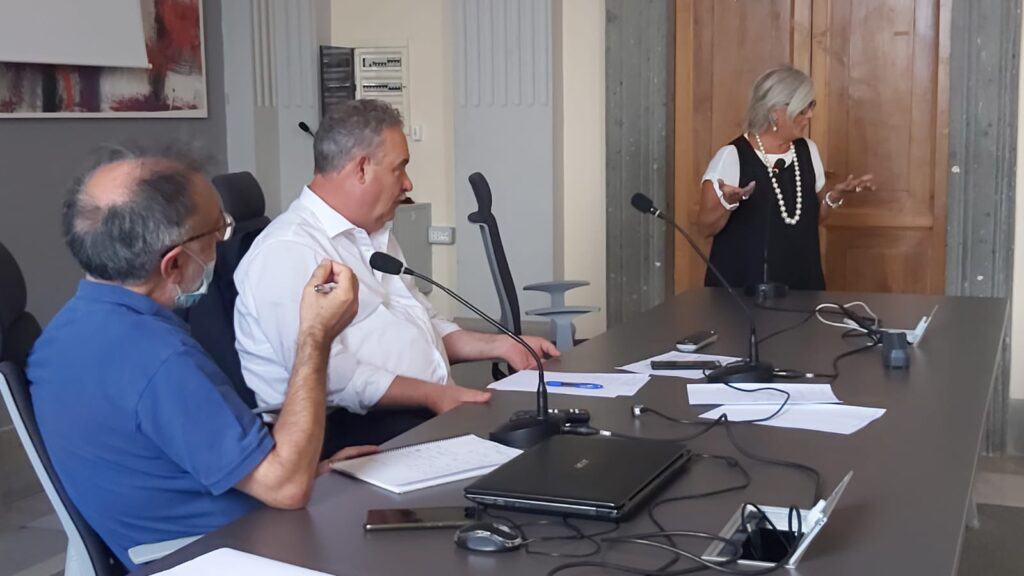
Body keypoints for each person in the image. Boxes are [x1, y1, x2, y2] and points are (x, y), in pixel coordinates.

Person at [27, 146, 376, 570]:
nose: (221, 242)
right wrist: (316, 336)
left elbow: (170, 456)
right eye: (217, 231)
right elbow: (286, 488)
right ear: (173, 264)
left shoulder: (61, 337)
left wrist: (308, 467)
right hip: (227, 554)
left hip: (218, 528)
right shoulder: (157, 359)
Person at [234, 99, 560, 454]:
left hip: (415, 413)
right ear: (361, 168)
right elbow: (329, 377)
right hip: (344, 432)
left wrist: (502, 345)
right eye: (399, 168)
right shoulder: (287, 251)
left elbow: (426, 325)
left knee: (546, 439)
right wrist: (433, 395)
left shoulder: (374, 235)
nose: (408, 183)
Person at [696, 65, 876, 291]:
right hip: (743, 293)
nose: (810, 115)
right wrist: (728, 203)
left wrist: (834, 197)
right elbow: (705, 228)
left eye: (811, 106)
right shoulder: (732, 156)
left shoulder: (808, 150)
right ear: (774, 112)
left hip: (802, 286)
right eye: (803, 109)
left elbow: (811, 220)